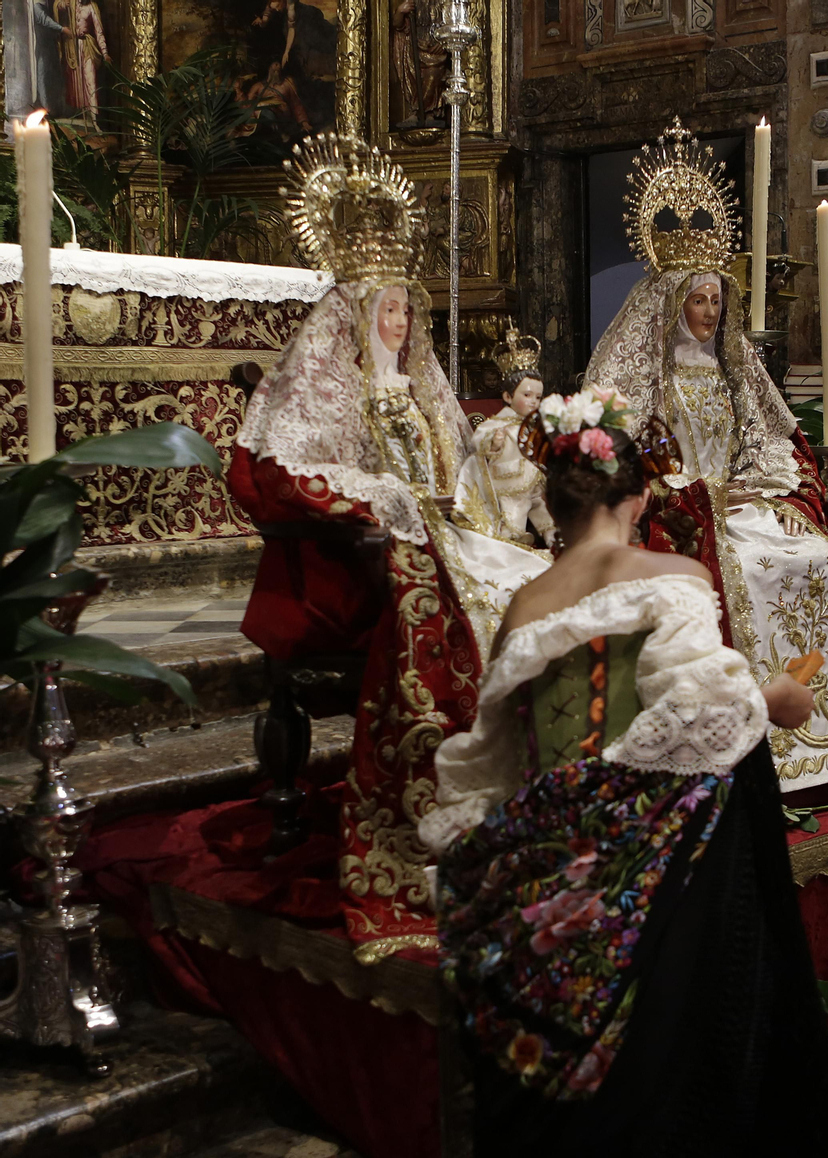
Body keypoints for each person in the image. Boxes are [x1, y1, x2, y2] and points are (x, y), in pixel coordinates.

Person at [421, 389, 828, 1155]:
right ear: (640, 495)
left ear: (554, 504)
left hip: (544, 858)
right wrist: (779, 697)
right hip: (644, 867)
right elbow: (702, 715)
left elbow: (505, 751)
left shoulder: (523, 603)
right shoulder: (668, 572)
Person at [230, 134, 550, 959]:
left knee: (537, 577)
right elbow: (290, 470)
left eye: (409, 309)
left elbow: (463, 465)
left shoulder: (420, 386)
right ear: (357, 313)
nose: (402, 324)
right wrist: (388, 501)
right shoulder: (327, 381)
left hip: (439, 534)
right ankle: (451, 795)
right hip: (355, 560)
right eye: (389, 309)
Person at [582, 117, 828, 802]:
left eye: (718, 298)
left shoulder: (733, 370)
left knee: (822, 557)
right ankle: (763, 745)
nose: (711, 311)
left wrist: (763, 487)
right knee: (745, 570)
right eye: (699, 299)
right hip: (687, 514)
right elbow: (630, 455)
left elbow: (771, 440)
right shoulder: (647, 378)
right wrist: (696, 493)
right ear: (672, 305)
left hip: (745, 504)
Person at [453, 324, 555, 546]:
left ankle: (553, 537)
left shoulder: (534, 425)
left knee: (542, 508)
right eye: (526, 395)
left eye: (537, 397)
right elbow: (479, 439)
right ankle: (512, 538)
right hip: (508, 481)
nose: (533, 401)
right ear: (508, 396)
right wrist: (494, 443)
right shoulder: (499, 423)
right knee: (514, 511)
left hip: (533, 479)